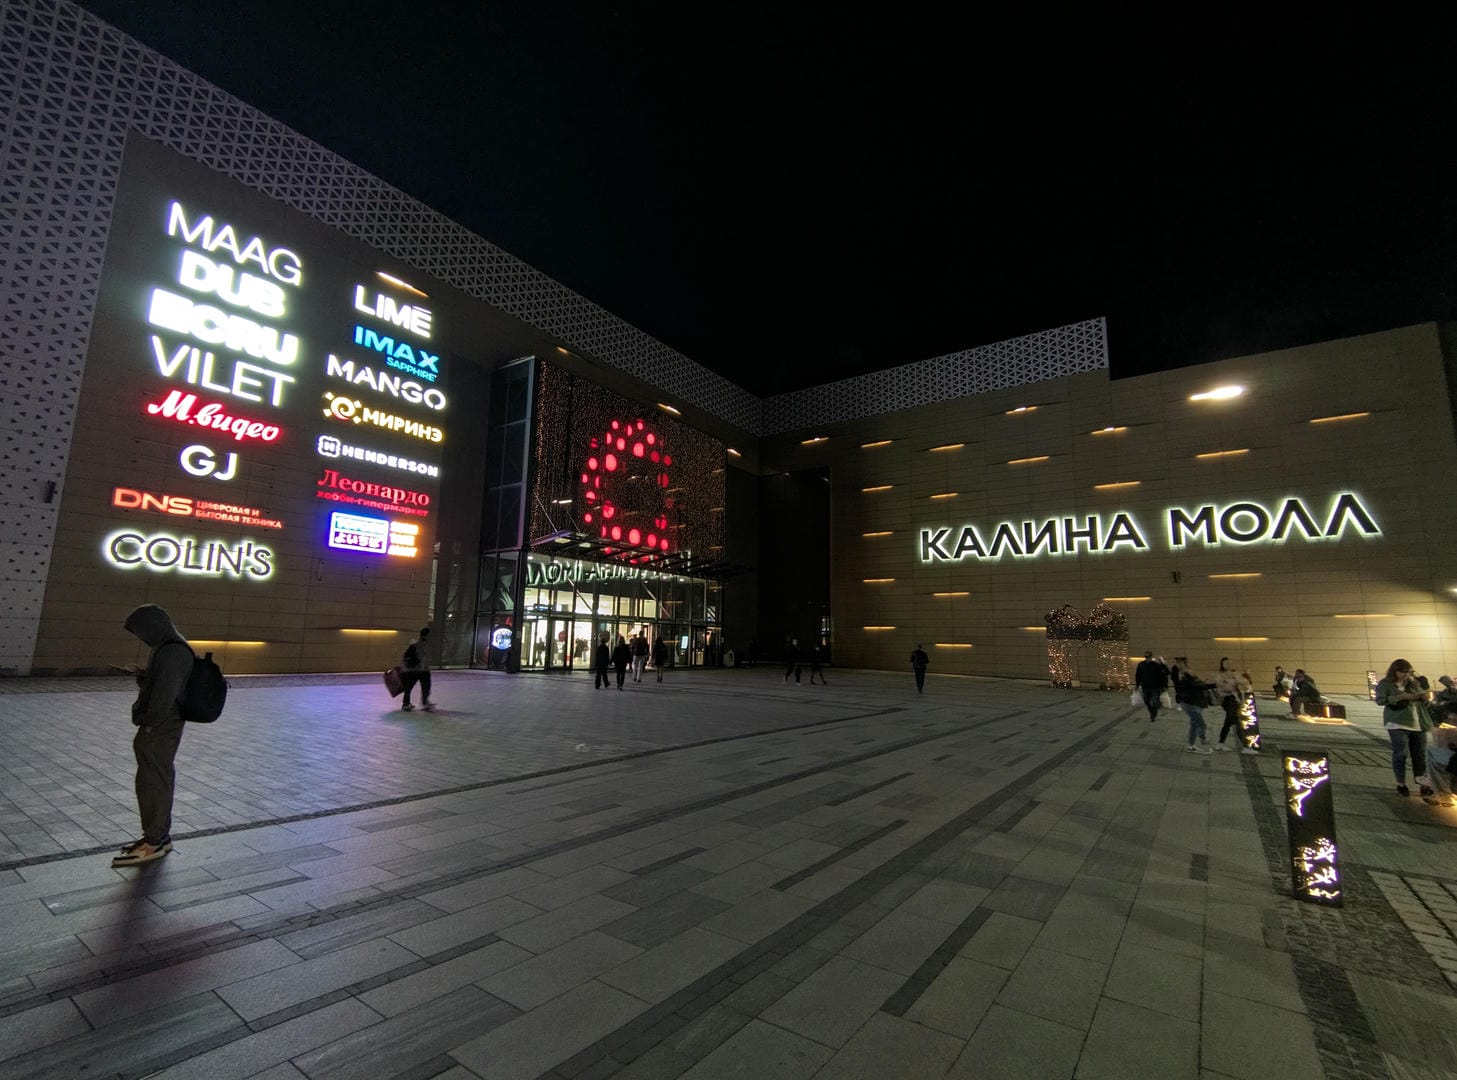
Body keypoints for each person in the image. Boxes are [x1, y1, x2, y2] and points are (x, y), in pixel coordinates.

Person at [114, 604, 194, 866]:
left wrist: (150, 722)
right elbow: (163, 685)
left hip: (160, 726)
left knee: (154, 781)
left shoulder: (173, 651)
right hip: (159, 724)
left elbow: (166, 694)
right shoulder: (167, 648)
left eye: (141, 630)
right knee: (152, 778)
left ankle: (154, 840)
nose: (140, 636)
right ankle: (157, 836)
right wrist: (145, 677)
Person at [1376, 658, 1436, 799]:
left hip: (1419, 722)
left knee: (1420, 755)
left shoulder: (1414, 683)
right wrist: (1400, 697)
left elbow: (1426, 702)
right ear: (1394, 671)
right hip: (1397, 722)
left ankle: (1423, 784)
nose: (1405, 675)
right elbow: (1380, 700)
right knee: (1401, 754)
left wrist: (1425, 698)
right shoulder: (1385, 684)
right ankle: (1401, 784)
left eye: (1408, 672)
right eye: (1402, 672)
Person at [1213, 658, 1257, 754]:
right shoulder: (1220, 675)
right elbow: (1223, 687)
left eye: (1230, 663)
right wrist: (1233, 683)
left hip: (1234, 700)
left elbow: (1245, 682)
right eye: (1226, 663)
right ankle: (1245, 746)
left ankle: (1220, 743)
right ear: (1222, 664)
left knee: (1228, 723)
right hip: (1228, 700)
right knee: (1238, 723)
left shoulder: (1233, 674)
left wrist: (1244, 678)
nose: (1228, 664)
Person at [1173, 657, 1212, 754]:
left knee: (1194, 724)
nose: (1179, 664)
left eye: (1181, 662)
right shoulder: (1180, 675)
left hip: (1195, 701)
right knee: (1201, 724)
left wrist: (1204, 682)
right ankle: (1203, 740)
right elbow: (1194, 685)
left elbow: (1197, 684)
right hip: (1188, 703)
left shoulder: (1189, 673)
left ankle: (1191, 745)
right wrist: (1211, 685)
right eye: (1178, 662)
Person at [400, 627, 434, 712]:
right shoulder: (421, 645)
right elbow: (423, 657)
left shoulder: (417, 644)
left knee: (410, 687)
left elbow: (406, 656)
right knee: (424, 686)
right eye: (430, 635)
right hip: (419, 670)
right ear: (426, 635)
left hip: (417, 670)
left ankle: (407, 703)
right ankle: (423, 703)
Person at [1134, 651, 1170, 722]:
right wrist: (1137, 685)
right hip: (1145, 686)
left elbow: (1162, 675)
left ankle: (1153, 713)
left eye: (1149, 656)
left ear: (1151, 657)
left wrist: (1164, 686)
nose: (1147, 658)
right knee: (1146, 701)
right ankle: (1152, 711)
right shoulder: (1141, 665)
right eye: (1146, 657)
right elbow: (1138, 675)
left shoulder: (1156, 665)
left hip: (1155, 687)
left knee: (1155, 702)